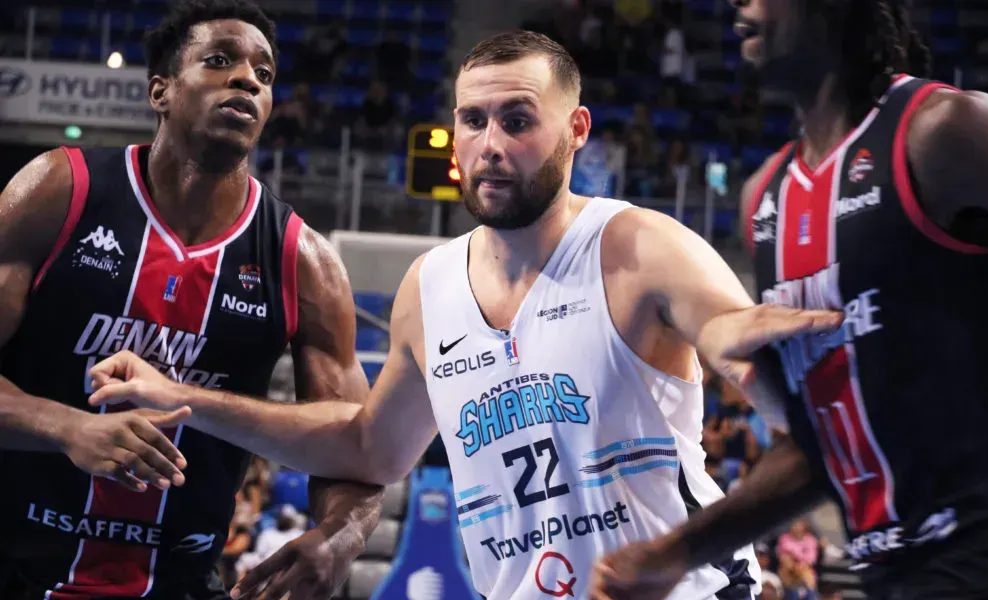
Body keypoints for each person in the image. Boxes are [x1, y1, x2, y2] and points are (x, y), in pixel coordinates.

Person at [88, 30, 842, 599]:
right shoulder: (431, 285)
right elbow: (368, 448)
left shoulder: (637, 244)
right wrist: (181, 400)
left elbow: (724, 325)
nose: (489, 145)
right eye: (473, 120)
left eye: (518, 120)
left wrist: (733, 333)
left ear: (577, 130)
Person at [589, 1, 988, 599]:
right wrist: (673, 553)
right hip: (901, 578)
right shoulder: (767, 203)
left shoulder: (947, 130)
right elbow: (814, 449)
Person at [0, 1, 382, 598]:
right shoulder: (59, 190)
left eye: (263, 73)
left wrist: (341, 534)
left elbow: (354, 444)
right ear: (161, 91)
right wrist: (67, 427)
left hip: (181, 583)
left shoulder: (302, 259)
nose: (246, 79)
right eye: (220, 60)